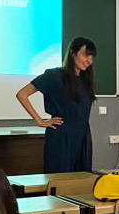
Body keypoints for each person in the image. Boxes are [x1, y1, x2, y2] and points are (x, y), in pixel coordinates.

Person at [16, 37, 97, 173]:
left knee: (81, 181)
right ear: (73, 52)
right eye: (85, 55)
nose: (89, 60)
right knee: (60, 180)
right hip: (61, 137)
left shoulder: (85, 80)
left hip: (82, 136)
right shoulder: (54, 76)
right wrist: (40, 121)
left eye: (92, 57)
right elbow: (22, 94)